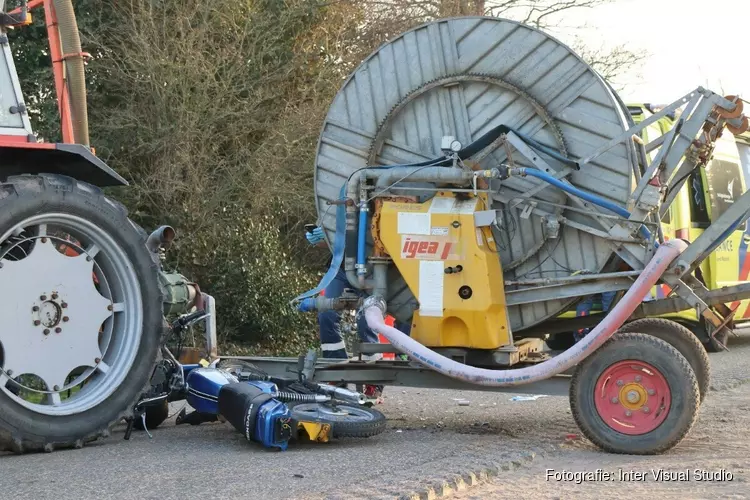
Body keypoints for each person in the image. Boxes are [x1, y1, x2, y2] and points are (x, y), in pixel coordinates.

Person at [305, 225, 411, 400]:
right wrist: (322, 238)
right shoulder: (336, 203)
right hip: (342, 267)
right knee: (326, 314)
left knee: (367, 321)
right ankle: (337, 375)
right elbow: (329, 242)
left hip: (376, 267)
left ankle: (373, 380)